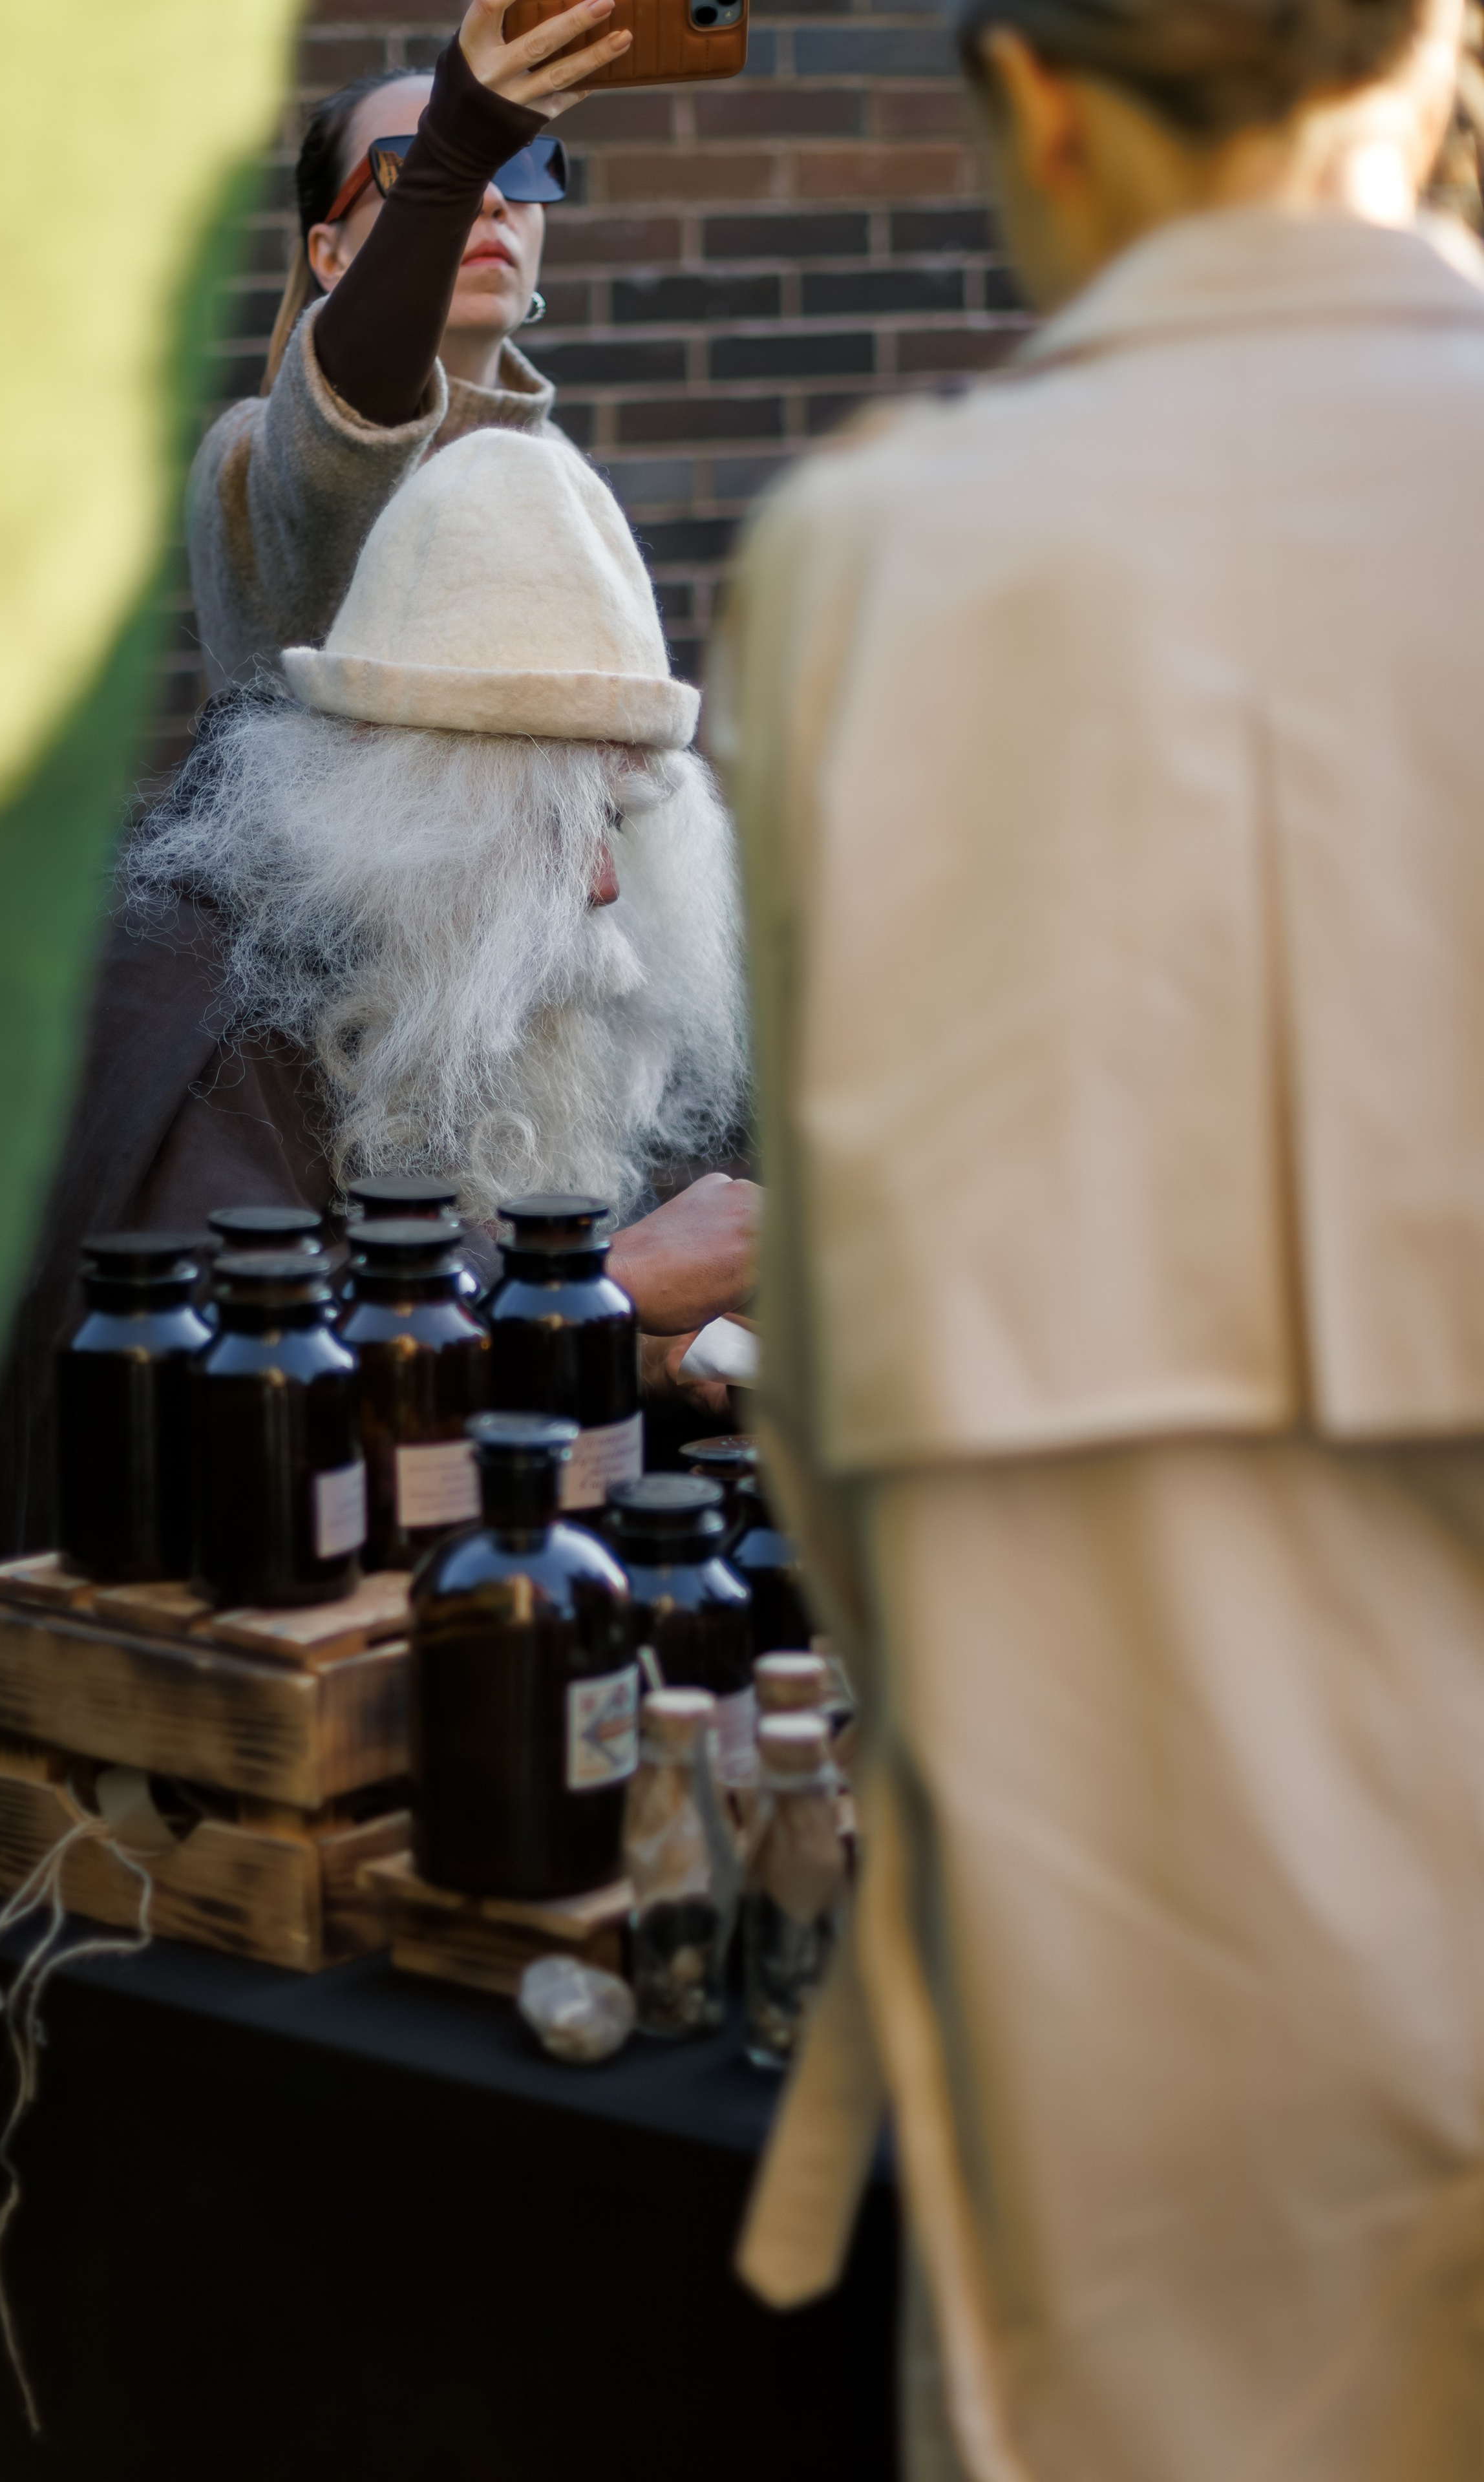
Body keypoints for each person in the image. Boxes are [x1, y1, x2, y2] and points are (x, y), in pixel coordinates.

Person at [719, 0, 1484, 2474]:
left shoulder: (867, 563)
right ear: (1433, 68)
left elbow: (816, 1374)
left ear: (1031, 101)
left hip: (1114, 1933)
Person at [0, 426, 756, 1596]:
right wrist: (604, 1281)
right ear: (414, 816)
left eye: (621, 828)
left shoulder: (427, 964)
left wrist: (625, 1357)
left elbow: (442, 1417)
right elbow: (234, 1416)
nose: (603, 886)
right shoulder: (191, 987)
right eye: (565, 822)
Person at [188, 0, 622, 692]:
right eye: (421, 165)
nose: (488, 198)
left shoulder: (567, 467)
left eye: (513, 164)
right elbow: (346, 434)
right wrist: (460, 138)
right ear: (330, 256)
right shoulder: (248, 459)